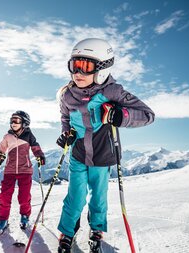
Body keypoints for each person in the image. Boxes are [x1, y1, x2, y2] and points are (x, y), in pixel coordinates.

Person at [56, 38, 155, 252]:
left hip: (103, 154)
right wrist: (66, 135)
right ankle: (68, 231)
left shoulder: (113, 92)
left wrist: (121, 115)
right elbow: (65, 118)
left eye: (86, 66)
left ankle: (97, 229)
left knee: (99, 197)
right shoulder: (67, 95)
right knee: (75, 196)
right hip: (79, 153)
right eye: (74, 65)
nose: (78, 72)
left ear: (102, 68)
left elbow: (147, 115)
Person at [0, 111, 45, 235]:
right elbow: (1, 149)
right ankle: (2, 220)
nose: (13, 123)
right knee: (5, 197)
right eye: (12, 120)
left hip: (25, 170)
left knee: (24, 197)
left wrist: (39, 155)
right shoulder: (7, 136)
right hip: (9, 170)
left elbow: (35, 147)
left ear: (25, 122)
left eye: (16, 120)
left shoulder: (28, 135)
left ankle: (25, 216)